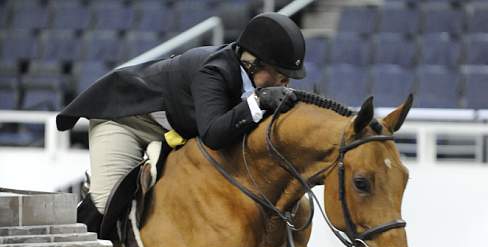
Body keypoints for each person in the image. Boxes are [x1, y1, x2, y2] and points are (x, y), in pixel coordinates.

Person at [56, 12, 306, 215]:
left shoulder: (252, 82)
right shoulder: (213, 70)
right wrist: (259, 101)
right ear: (252, 63)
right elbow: (214, 135)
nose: (285, 83)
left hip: (170, 129)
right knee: (108, 202)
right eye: (281, 75)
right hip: (126, 120)